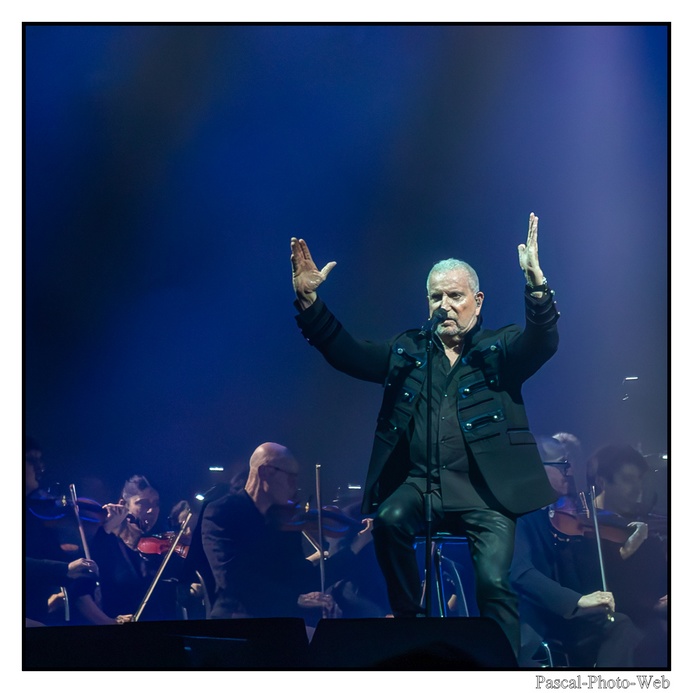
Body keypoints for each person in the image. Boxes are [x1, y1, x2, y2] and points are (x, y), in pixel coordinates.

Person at [290, 212, 560, 658]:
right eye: (436, 297)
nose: (445, 305)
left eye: (455, 296)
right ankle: (410, 626)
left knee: (493, 581)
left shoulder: (500, 349)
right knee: (390, 520)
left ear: (478, 300)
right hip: (422, 486)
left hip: (486, 494)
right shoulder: (409, 350)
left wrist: (536, 286)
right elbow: (350, 355)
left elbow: (542, 341)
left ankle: (505, 670)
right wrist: (310, 304)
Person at [510, 434, 645, 668]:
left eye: (570, 465)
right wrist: (577, 600)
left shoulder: (560, 515)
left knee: (622, 627)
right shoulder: (518, 513)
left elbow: (579, 570)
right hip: (535, 616)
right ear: (538, 467)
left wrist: (622, 553)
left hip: (568, 618)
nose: (570, 472)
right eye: (562, 465)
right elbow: (520, 572)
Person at [200, 442, 368, 624]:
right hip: (238, 620)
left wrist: (354, 548)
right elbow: (232, 579)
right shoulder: (221, 512)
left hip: (283, 621)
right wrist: (296, 599)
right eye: (291, 477)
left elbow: (303, 578)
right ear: (265, 472)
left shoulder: (285, 520)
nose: (294, 486)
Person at [585, 443, 668, 667]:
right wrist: (652, 604)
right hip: (620, 623)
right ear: (602, 482)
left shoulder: (646, 523)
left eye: (639, 479)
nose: (637, 489)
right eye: (628, 480)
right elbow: (591, 581)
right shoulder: (585, 527)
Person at [24, 436, 121, 626]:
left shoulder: (34, 517)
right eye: (30, 460)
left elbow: (77, 576)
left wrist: (106, 530)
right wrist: (65, 569)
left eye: (40, 460)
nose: (39, 467)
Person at [89, 474, 179, 621]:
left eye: (156, 504)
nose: (151, 510)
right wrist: (107, 527)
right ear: (124, 505)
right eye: (142, 503)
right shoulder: (106, 542)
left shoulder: (159, 546)